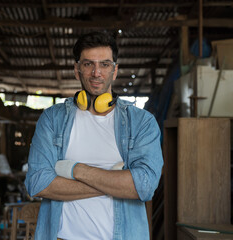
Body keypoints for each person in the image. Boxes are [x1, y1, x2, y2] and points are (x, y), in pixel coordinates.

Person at [24, 31, 163, 240]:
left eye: (105, 64)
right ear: (77, 70)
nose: (96, 73)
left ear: (115, 71)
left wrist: (75, 169)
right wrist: (114, 184)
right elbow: (38, 182)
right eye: (88, 64)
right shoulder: (53, 119)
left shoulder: (141, 122)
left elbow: (144, 186)